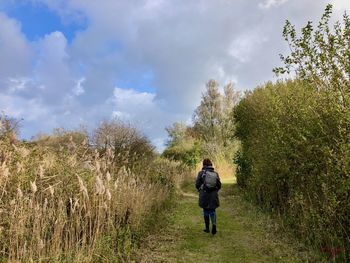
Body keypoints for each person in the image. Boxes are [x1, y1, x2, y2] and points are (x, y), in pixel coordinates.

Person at [195, 158, 221, 235]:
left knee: (206, 210)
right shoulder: (215, 173)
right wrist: (215, 191)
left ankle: (207, 228)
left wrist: (200, 190)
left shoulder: (201, 173)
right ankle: (214, 224)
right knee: (213, 210)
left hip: (204, 195)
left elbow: (197, 185)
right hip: (213, 195)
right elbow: (219, 185)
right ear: (210, 164)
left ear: (203, 164)